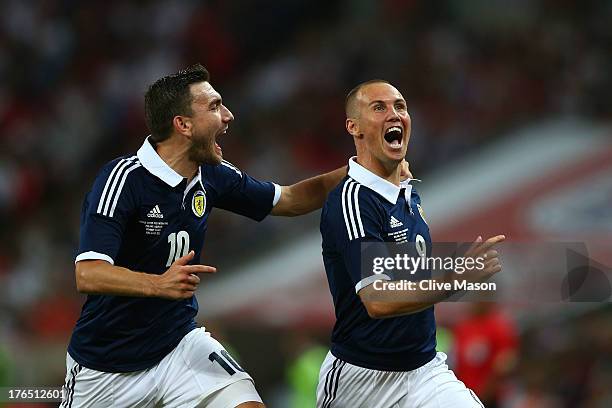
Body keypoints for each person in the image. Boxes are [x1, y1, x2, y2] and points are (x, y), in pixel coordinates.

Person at [61, 64, 348, 408]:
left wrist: (359, 170)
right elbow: (88, 272)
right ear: (182, 124)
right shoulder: (123, 180)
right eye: (214, 107)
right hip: (105, 367)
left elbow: (289, 199)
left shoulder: (212, 175)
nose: (228, 116)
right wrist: (158, 284)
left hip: (179, 344)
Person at [317, 79, 505, 407]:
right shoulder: (354, 200)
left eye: (400, 106)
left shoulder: (407, 191)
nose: (395, 114)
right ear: (354, 127)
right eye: (379, 107)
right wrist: (453, 280)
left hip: (424, 371)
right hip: (362, 381)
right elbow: (377, 299)